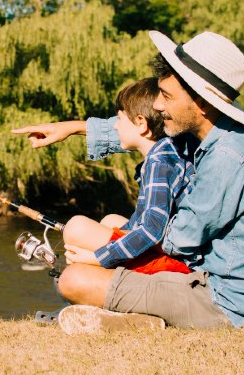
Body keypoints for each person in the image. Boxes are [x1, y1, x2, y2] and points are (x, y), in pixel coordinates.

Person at [12, 30, 244, 330]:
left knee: (74, 279)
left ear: (202, 103)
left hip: (225, 300)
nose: (158, 105)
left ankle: (138, 320)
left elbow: (176, 241)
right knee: (109, 223)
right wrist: (72, 127)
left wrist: (101, 256)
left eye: (167, 97)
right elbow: (149, 134)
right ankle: (132, 306)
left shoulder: (228, 158)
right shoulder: (215, 129)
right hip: (210, 270)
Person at [63, 77, 192, 277]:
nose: (115, 127)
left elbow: (152, 231)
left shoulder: (159, 164)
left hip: (175, 267)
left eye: (119, 119)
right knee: (110, 220)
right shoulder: (167, 152)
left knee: (75, 228)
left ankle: (98, 280)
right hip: (169, 254)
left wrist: (98, 257)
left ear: (141, 123)